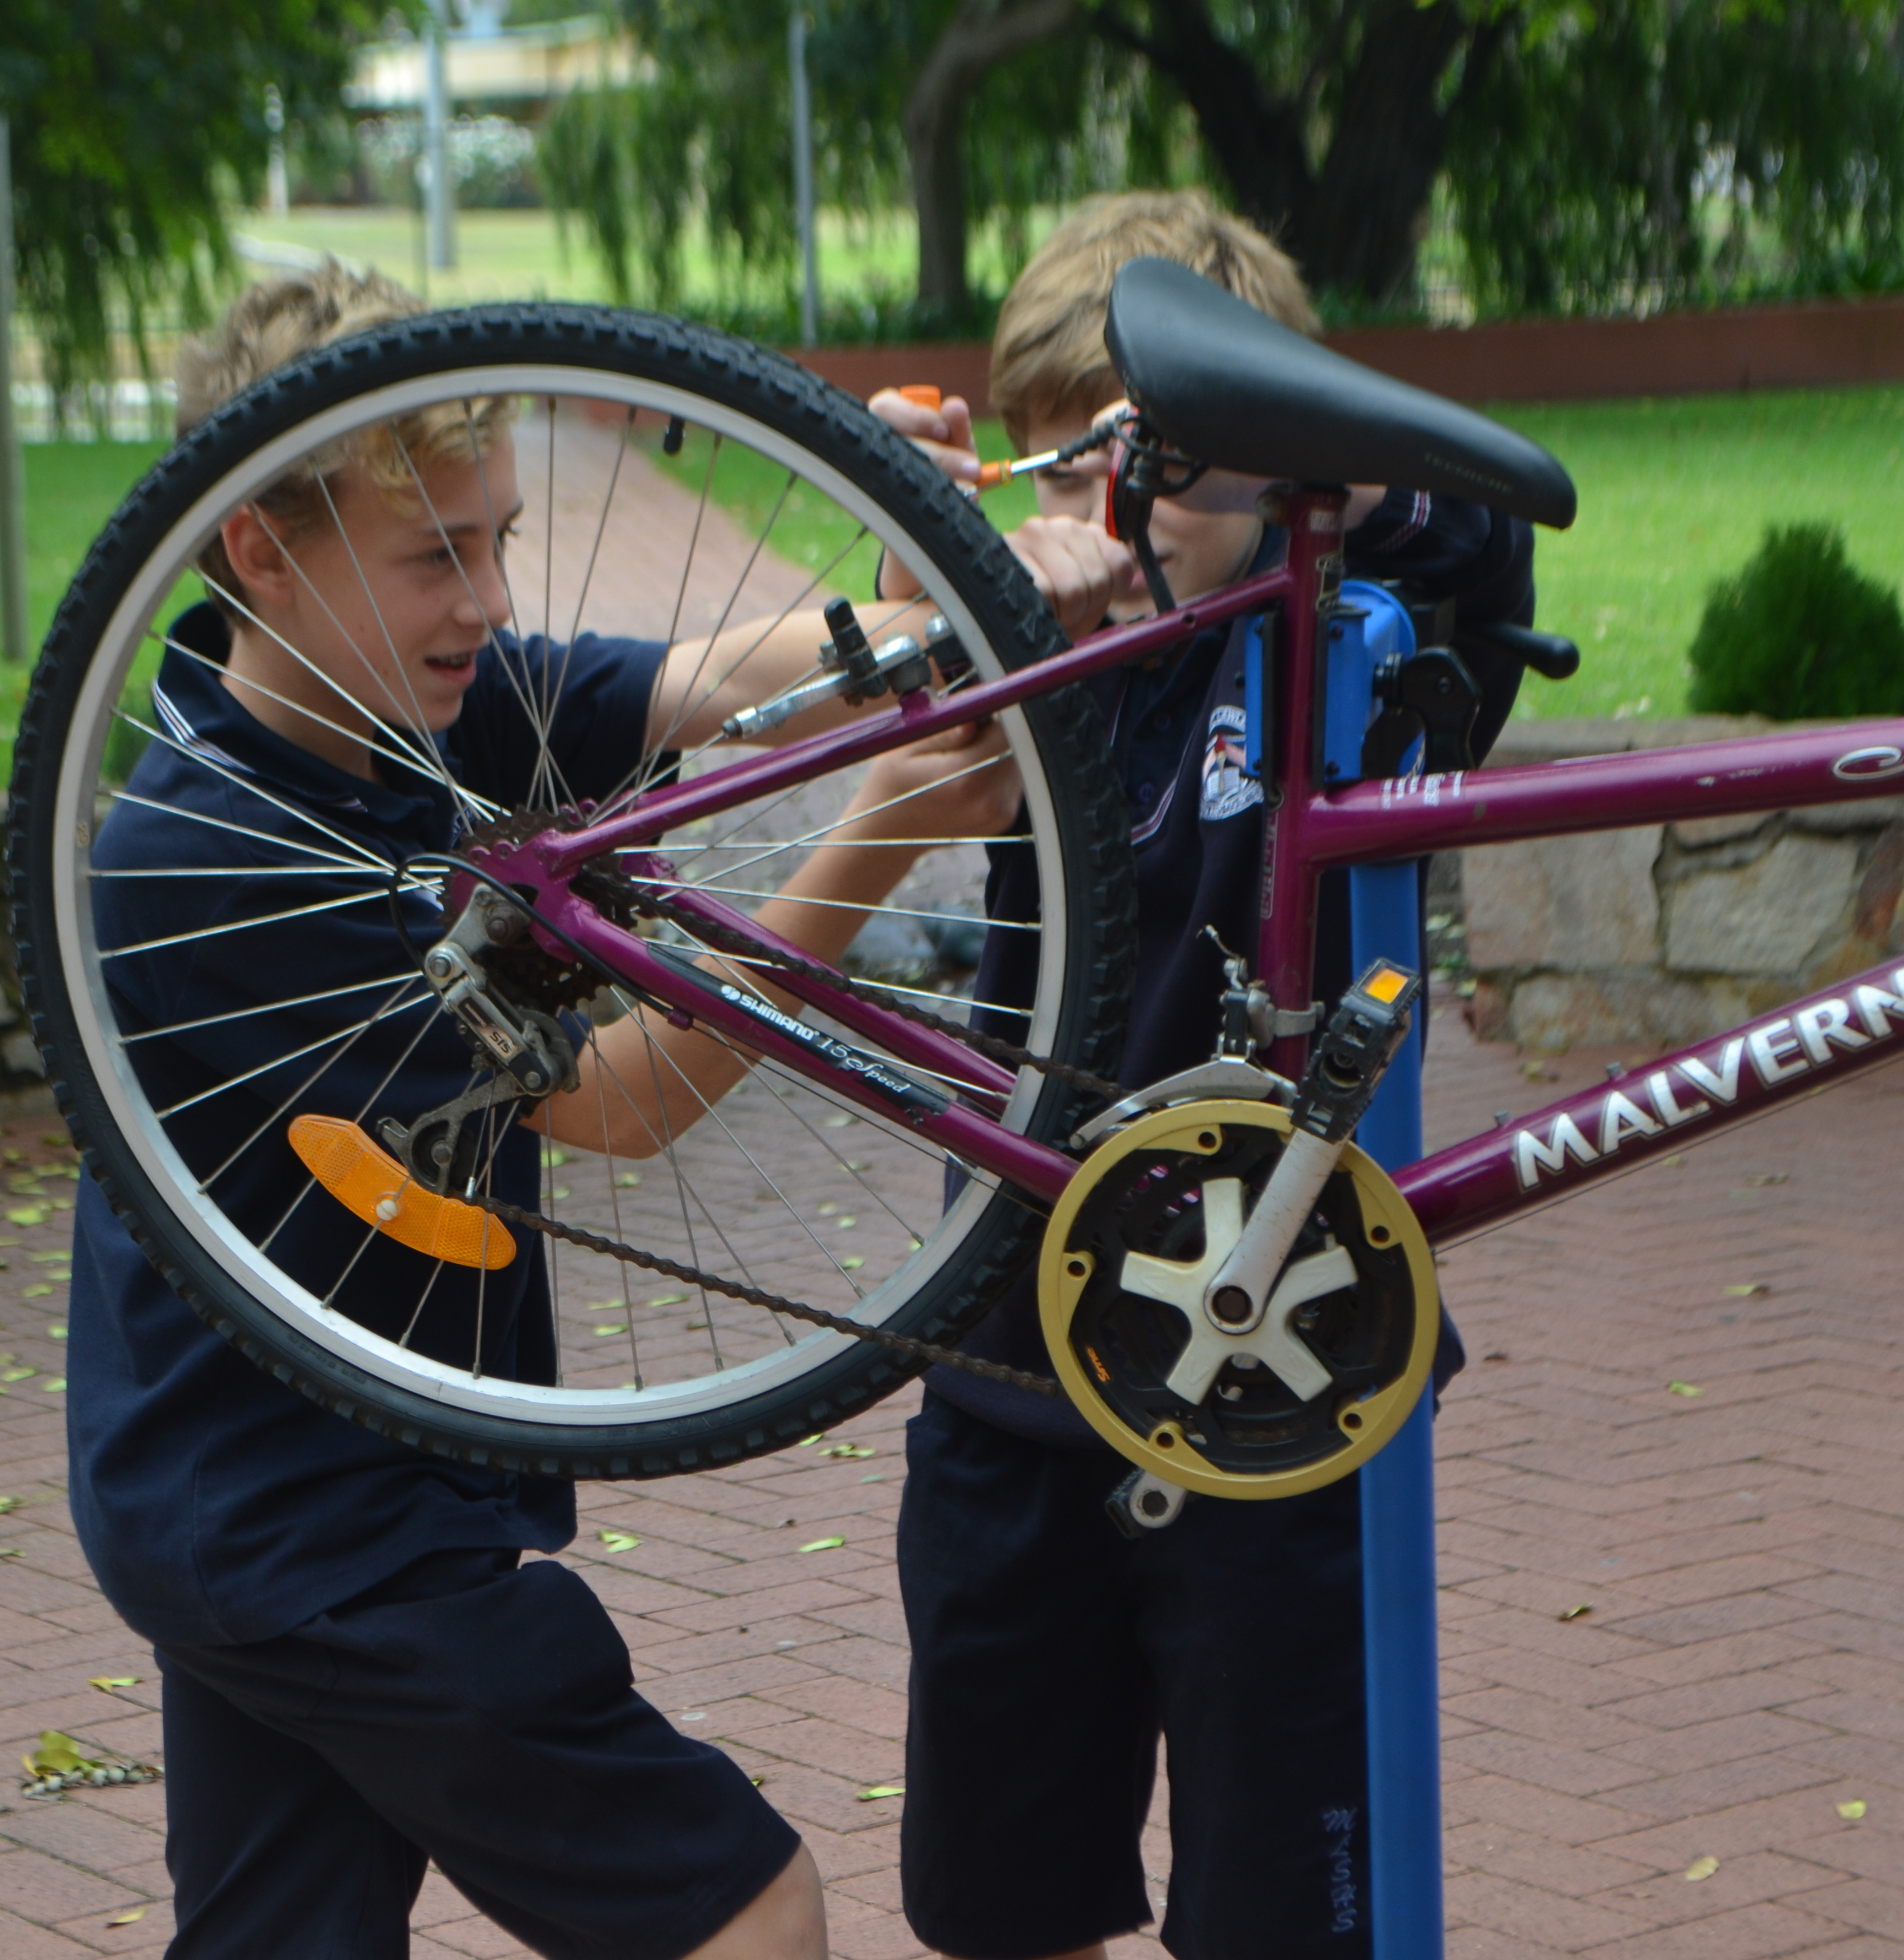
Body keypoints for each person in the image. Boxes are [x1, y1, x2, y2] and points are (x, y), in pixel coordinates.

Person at [60, 262, 1122, 1960]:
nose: (486, 600)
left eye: (500, 542)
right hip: (314, 1526)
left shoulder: (408, 706)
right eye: (437, 555)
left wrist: (940, 601)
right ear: (259, 549)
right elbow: (621, 1105)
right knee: (749, 1912)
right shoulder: (202, 860)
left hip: (252, 1499)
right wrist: (884, 834)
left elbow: (714, 679)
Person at [866, 192, 1541, 1960]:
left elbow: (1485, 543)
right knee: (1001, 1903)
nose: (1121, 510)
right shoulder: (1024, 650)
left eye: (1165, 461)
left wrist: (1322, 471)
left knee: (1289, 1916)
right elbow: (860, 699)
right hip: (1010, 1347)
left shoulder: (1354, 637)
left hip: (1288, 1379)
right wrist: (920, 539)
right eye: (1075, 459)